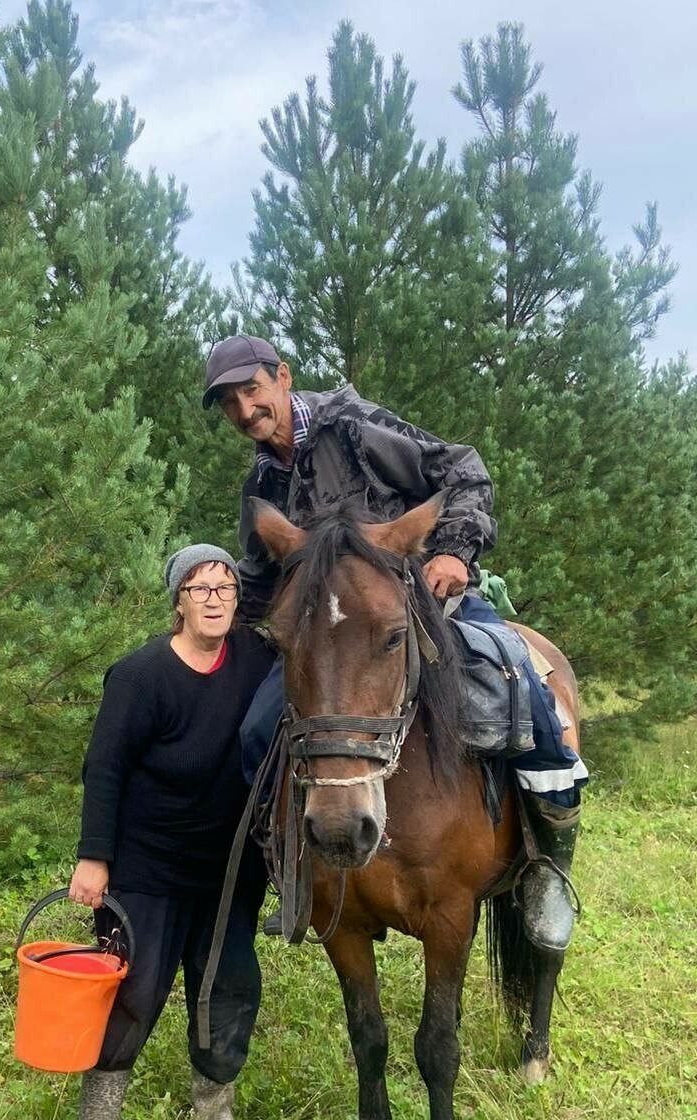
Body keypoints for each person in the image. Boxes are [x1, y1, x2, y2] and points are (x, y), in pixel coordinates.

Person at [201, 334, 588, 956]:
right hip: (334, 637)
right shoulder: (262, 484)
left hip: (425, 598)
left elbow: (462, 471)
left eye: (253, 390)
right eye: (230, 403)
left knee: (521, 684)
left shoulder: (352, 425)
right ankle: (293, 870)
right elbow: (260, 577)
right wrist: (208, 612)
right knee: (254, 733)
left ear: (282, 377)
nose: (246, 411)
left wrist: (456, 552)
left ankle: (546, 867)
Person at [64, 544, 275, 1120]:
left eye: (226, 586)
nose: (214, 597)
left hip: (230, 870)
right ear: (178, 601)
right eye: (199, 587)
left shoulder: (260, 663)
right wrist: (94, 858)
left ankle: (213, 1109)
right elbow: (104, 769)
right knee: (134, 993)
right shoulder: (140, 676)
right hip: (146, 868)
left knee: (229, 985)